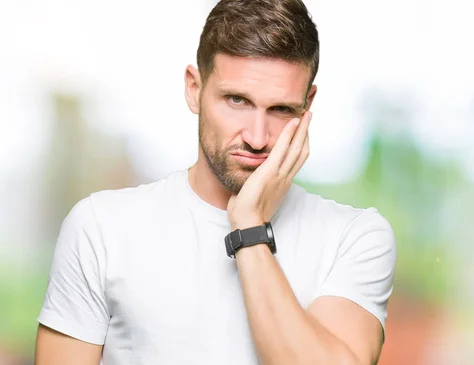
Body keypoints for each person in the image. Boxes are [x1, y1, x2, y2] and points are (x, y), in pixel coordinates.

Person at [34, 0, 397, 364]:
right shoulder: (101, 227)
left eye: (281, 109)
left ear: (308, 104)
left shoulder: (355, 237)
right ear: (194, 88)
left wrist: (249, 226)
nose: (257, 137)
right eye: (237, 100)